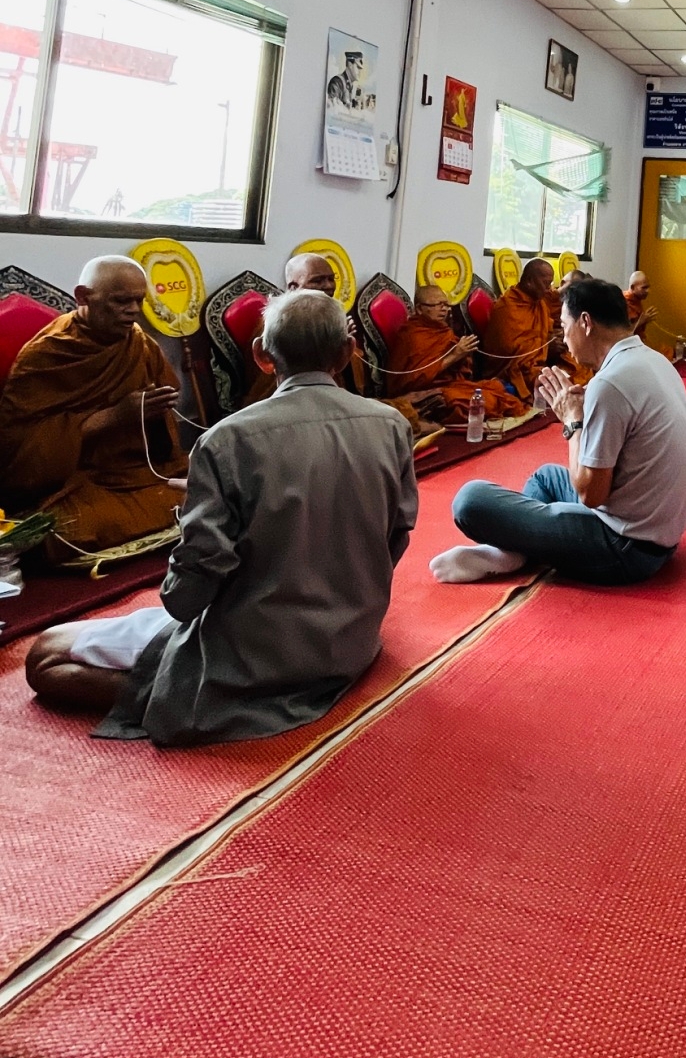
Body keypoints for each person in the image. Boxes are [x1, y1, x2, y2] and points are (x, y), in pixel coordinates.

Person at [25, 290, 416, 745]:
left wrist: (203, 514)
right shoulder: (391, 425)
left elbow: (188, 595)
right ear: (347, 352)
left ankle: (194, 697)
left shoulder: (227, 440)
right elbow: (397, 535)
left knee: (45, 656)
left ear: (262, 355)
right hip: (351, 641)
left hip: (253, 656)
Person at [432, 277, 686, 587]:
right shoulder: (654, 360)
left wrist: (573, 422)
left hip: (626, 548)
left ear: (585, 322)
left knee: (470, 501)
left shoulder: (610, 384)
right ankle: (517, 551)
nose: (564, 338)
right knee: (546, 477)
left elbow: (590, 495)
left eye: (563, 325)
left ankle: (514, 553)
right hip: (660, 534)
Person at [0, 256, 186, 567]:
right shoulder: (47, 354)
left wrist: (155, 410)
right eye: (121, 301)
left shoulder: (138, 343)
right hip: (76, 482)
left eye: (139, 300)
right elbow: (18, 450)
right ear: (83, 297)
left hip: (133, 472)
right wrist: (114, 417)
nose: (134, 310)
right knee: (61, 530)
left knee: (209, 483)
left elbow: (164, 441)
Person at [382, 285, 526, 425]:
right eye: (437, 304)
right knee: (485, 401)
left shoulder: (442, 330)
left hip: (449, 386)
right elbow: (411, 381)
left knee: (497, 388)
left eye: (446, 304)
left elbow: (461, 371)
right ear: (420, 309)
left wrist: (464, 355)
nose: (444, 309)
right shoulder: (412, 336)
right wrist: (455, 355)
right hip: (423, 394)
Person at [242, 253, 366, 404]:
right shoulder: (277, 323)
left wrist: (340, 342)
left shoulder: (334, 319)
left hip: (332, 399)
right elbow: (276, 375)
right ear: (293, 287)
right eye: (317, 280)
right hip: (288, 402)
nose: (328, 285)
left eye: (331, 279)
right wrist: (333, 345)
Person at [483, 257, 562, 405]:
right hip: (514, 371)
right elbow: (509, 351)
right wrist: (546, 346)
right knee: (552, 381)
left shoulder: (539, 302)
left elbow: (546, 329)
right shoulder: (507, 307)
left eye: (550, 283)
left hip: (537, 363)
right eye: (546, 283)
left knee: (575, 364)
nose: (549, 289)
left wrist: (555, 338)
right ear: (530, 281)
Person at [624, 270, 654, 338]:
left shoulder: (636, 300)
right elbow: (623, 332)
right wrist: (641, 321)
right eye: (644, 288)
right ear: (632, 287)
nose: (648, 291)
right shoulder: (623, 302)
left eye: (648, 287)